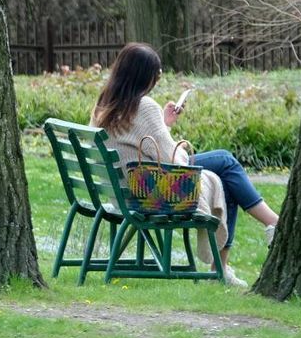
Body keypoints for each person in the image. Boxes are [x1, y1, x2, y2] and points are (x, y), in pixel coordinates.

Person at [90, 43, 279, 288]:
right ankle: (271, 227)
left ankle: (259, 235)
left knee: (224, 168)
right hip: (150, 191)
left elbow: (141, 144)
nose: (156, 81)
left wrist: (164, 123)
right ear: (145, 77)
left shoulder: (106, 103)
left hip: (126, 188)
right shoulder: (144, 106)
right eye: (156, 76)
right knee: (224, 162)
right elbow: (172, 158)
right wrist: (165, 129)